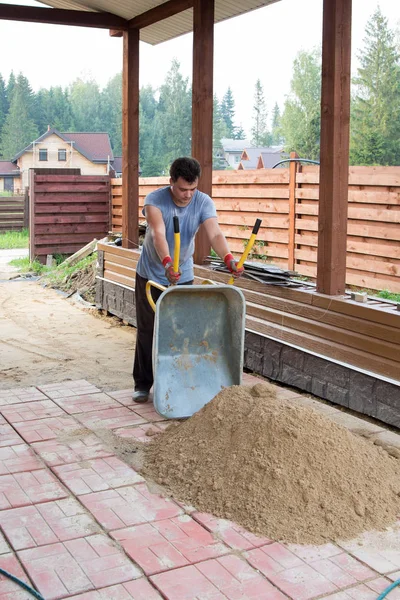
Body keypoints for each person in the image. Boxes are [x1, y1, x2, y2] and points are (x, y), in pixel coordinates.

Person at [132, 156, 244, 403]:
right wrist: (167, 263)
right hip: (152, 273)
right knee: (149, 330)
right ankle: (142, 383)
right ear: (171, 181)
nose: (188, 195)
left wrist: (228, 258)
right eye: (183, 189)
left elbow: (214, 232)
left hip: (183, 276)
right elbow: (158, 233)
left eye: (193, 189)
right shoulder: (154, 201)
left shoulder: (203, 201)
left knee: (181, 332)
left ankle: (177, 382)